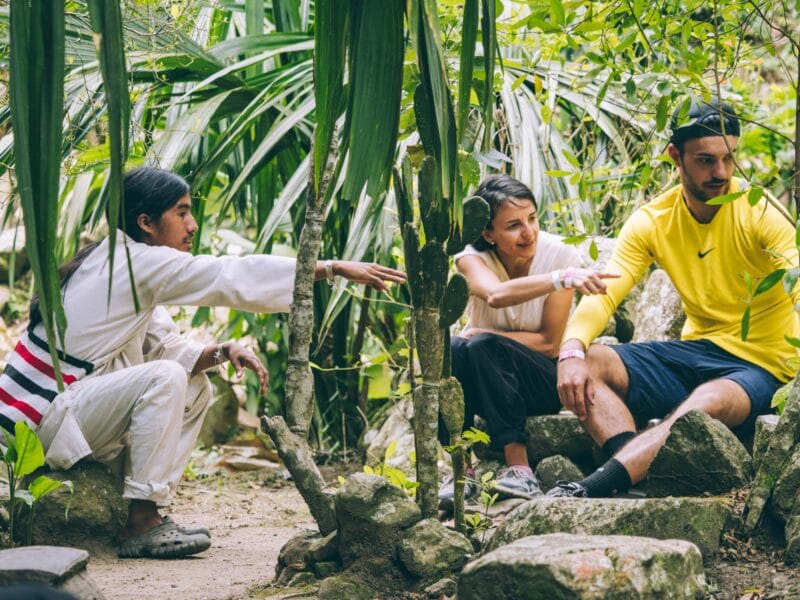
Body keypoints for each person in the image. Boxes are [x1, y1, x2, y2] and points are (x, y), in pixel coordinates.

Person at [0, 167, 405, 558]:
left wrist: (222, 352)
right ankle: (142, 519)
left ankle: (143, 505)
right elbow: (228, 274)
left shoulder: (119, 260)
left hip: (60, 413)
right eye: (181, 212)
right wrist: (330, 268)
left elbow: (161, 343)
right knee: (167, 378)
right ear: (145, 222)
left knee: (195, 386)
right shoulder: (135, 263)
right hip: (38, 423)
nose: (192, 225)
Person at [551, 97, 799, 498]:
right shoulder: (653, 220)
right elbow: (606, 292)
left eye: (729, 158)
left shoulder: (759, 211)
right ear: (675, 156)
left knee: (709, 399)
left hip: (764, 366)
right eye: (706, 160)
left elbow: (796, 277)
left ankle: (598, 485)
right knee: (590, 360)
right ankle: (635, 471)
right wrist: (571, 350)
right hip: (696, 353)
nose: (721, 172)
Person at [437, 174, 615, 507]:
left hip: (540, 381)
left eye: (532, 219)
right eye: (513, 225)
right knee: (454, 348)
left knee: (481, 345)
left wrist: (487, 335)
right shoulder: (471, 257)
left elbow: (550, 343)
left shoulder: (559, 255)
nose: (528, 232)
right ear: (488, 233)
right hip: (485, 381)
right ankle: (461, 470)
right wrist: (560, 280)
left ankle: (520, 469)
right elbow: (494, 295)